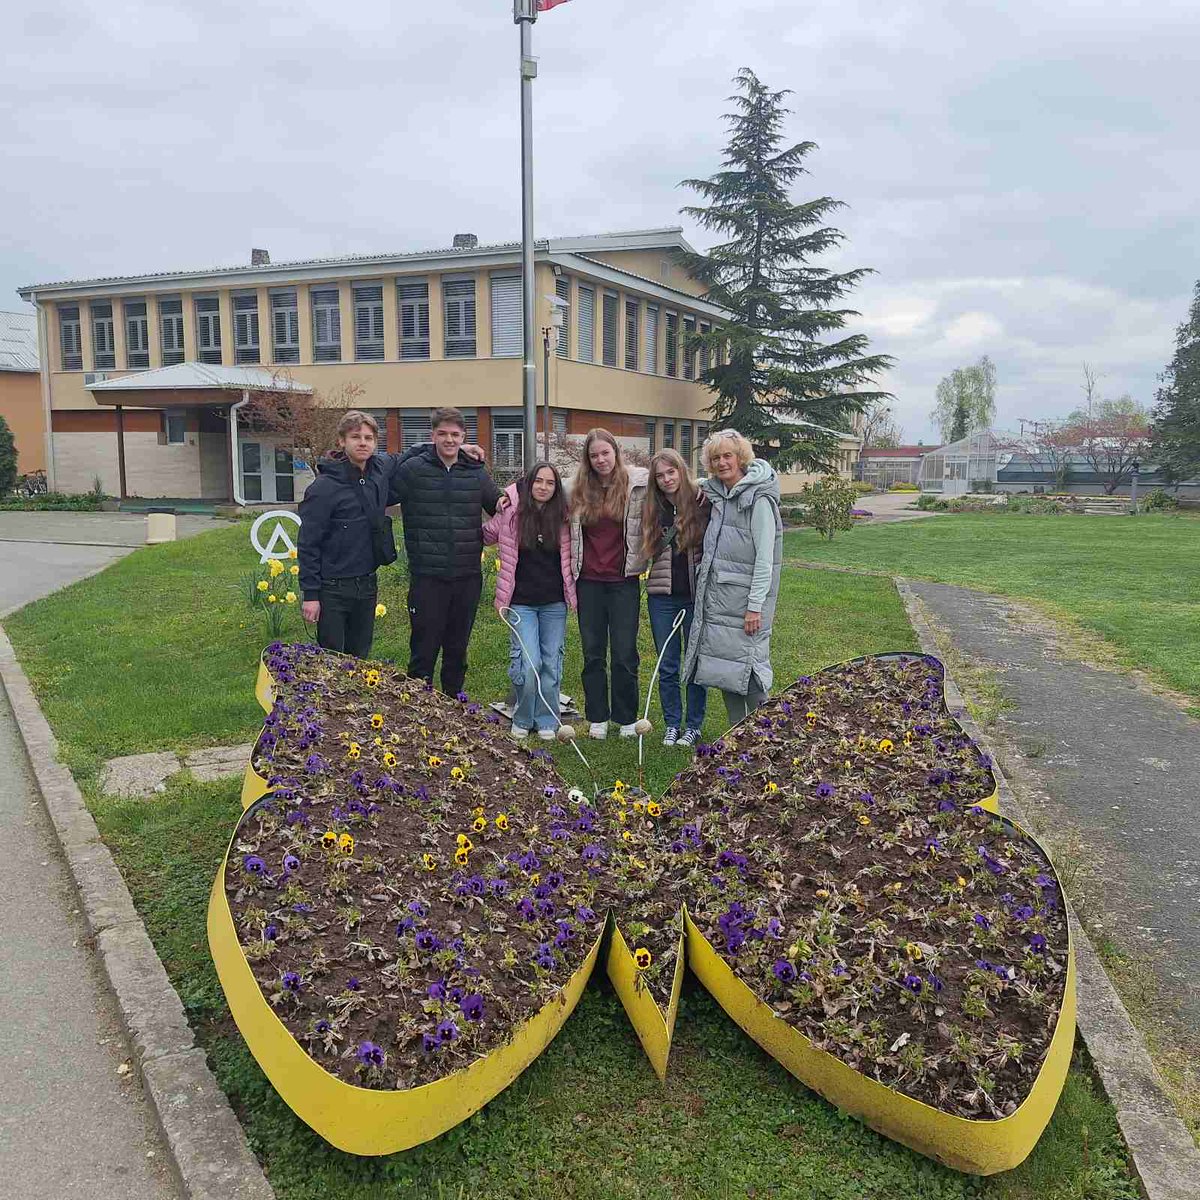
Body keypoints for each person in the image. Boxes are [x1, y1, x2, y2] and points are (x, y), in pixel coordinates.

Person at [388, 407, 501, 696]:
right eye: (442, 434)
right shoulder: (412, 470)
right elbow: (382, 487)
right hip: (427, 576)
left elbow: (498, 505)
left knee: (457, 646)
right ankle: (418, 707)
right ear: (432, 436)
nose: (449, 440)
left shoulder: (475, 473)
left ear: (464, 437)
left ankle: (453, 704)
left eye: (455, 435)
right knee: (424, 646)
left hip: (467, 576)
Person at [683, 429, 783, 727]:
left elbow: (766, 560)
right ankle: (737, 741)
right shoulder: (719, 495)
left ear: (741, 457)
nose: (722, 462)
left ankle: (765, 737)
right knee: (726, 672)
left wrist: (755, 606)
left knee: (751, 674)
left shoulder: (758, 499)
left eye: (728, 455)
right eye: (716, 458)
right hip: (721, 602)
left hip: (745, 604)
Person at [483, 461, 576, 741]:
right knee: (529, 662)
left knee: (550, 663)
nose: (543, 487)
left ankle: (547, 717)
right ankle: (523, 716)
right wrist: (495, 502)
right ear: (528, 483)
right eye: (538, 481)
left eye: (550, 483)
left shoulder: (564, 516)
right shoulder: (512, 512)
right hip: (520, 602)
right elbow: (485, 535)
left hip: (554, 603)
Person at [569, 429, 648, 739]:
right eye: (594, 455)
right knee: (593, 652)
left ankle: (626, 717)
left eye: (605, 453)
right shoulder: (576, 489)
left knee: (625, 652)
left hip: (623, 581)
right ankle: (598, 716)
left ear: (616, 453)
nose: (600, 459)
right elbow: (536, 483)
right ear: (587, 460)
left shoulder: (635, 486)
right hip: (588, 582)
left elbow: (676, 479)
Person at [298, 410, 394, 658]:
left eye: (369, 438)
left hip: (366, 584)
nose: (363, 442)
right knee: (331, 660)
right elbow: (308, 544)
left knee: (360, 657)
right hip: (333, 589)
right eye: (355, 437)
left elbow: (411, 455)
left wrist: (462, 450)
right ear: (342, 441)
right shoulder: (323, 488)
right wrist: (310, 596)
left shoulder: (379, 471)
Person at [637, 448, 710, 748]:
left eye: (671, 472)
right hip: (662, 597)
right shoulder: (652, 507)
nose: (667, 479)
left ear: (681, 470)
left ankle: (693, 725)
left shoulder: (702, 502)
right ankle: (671, 723)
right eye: (660, 475)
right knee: (667, 663)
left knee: (693, 662)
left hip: (694, 596)